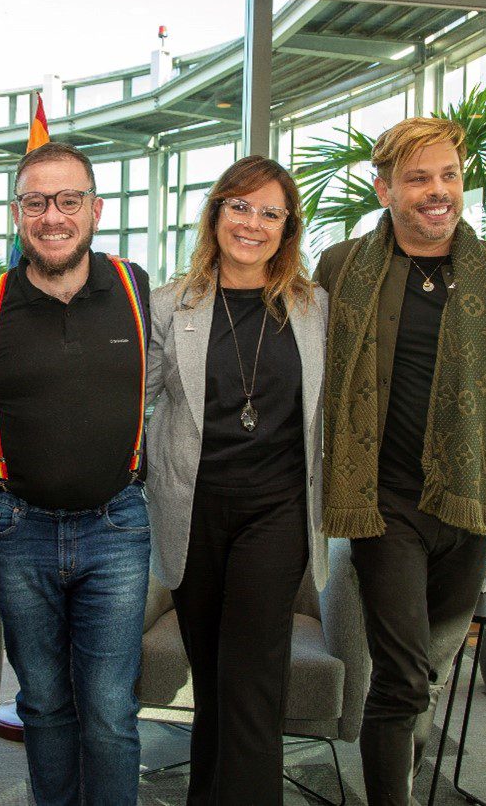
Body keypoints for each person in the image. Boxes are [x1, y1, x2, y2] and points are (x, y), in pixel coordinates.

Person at [313, 116, 486, 806]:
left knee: (428, 669)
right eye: (419, 177)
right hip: (383, 505)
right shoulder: (341, 269)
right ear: (385, 188)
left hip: (471, 503)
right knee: (399, 676)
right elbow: (304, 378)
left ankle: (400, 767)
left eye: (449, 175)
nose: (437, 191)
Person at [0, 141, 151, 806]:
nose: (53, 215)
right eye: (36, 202)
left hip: (116, 527)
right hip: (19, 530)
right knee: (42, 704)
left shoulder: (136, 289)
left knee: (107, 708)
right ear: (18, 214)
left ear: (94, 210)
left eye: (68, 200)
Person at [144, 155, 327, 805]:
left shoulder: (315, 310)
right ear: (216, 213)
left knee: (250, 680)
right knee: (218, 680)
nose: (252, 223)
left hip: (275, 515)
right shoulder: (170, 306)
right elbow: (132, 400)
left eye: (269, 212)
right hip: (191, 514)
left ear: (288, 227)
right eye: (240, 206)